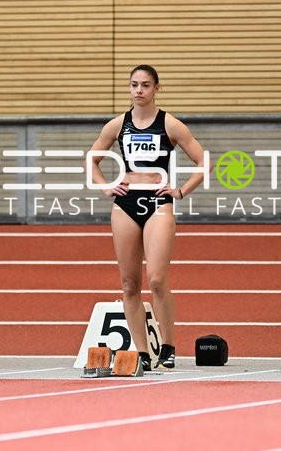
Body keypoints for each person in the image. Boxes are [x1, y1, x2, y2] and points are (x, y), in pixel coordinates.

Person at [88, 64, 208, 370]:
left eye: (144, 85)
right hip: (125, 203)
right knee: (129, 283)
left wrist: (180, 191)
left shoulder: (170, 124)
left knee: (156, 279)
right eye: (134, 85)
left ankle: (167, 344)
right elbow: (92, 159)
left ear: (156, 88)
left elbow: (203, 160)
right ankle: (142, 351)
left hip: (158, 202)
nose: (138, 91)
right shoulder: (117, 125)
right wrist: (106, 186)